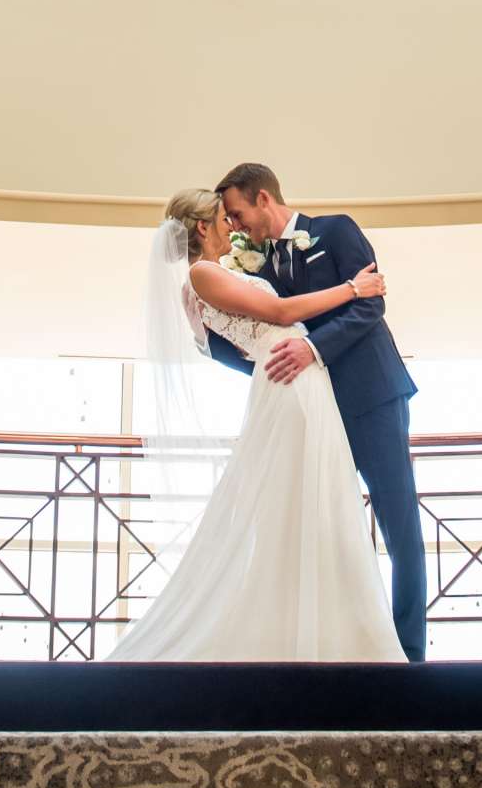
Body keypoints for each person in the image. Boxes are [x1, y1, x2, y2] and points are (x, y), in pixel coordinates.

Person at [108, 188, 405, 663]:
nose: (234, 227)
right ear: (202, 228)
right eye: (225, 219)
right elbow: (281, 313)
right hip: (293, 385)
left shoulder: (215, 275)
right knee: (312, 502)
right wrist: (354, 289)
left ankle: (320, 635)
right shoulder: (202, 275)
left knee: (313, 505)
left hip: (299, 378)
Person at [213, 161, 427, 663]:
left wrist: (314, 349)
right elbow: (266, 339)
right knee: (316, 527)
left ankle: (410, 655)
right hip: (314, 413)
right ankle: (337, 646)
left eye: (238, 213)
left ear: (264, 198)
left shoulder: (335, 231)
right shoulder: (259, 268)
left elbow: (370, 306)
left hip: (372, 399)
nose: (237, 226)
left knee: (400, 528)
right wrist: (213, 339)